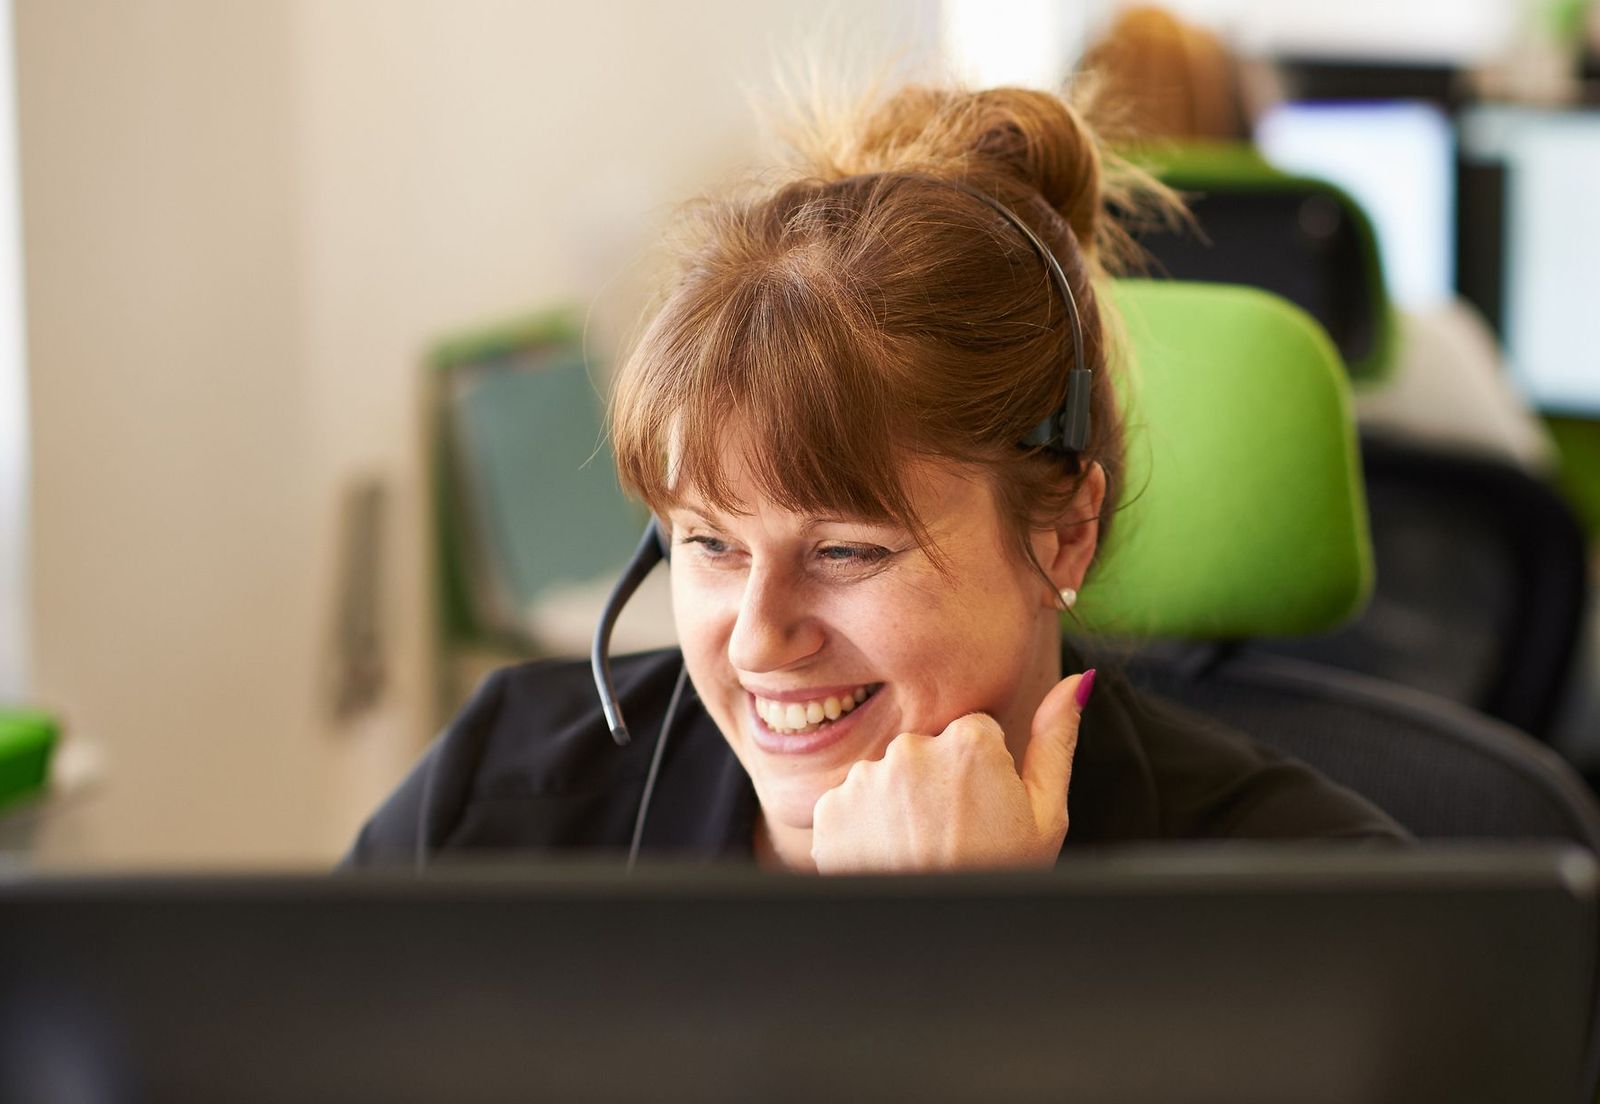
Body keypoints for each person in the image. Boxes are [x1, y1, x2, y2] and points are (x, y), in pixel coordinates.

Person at [342, 81, 1405, 873]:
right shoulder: (501, 793)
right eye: (708, 543)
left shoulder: (1309, 904)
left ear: (1063, 535)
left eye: (845, 550)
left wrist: (950, 962)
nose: (757, 638)